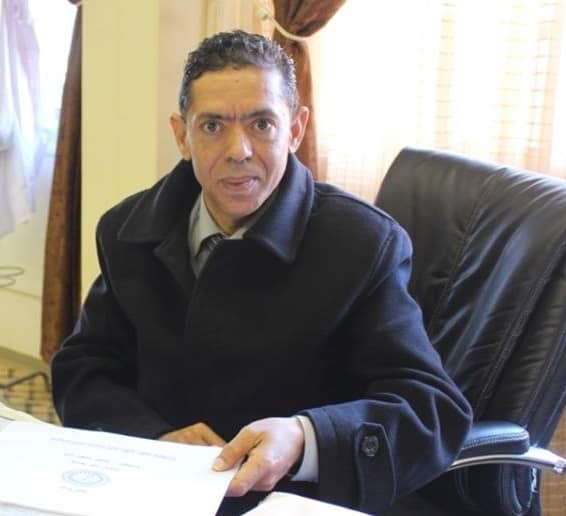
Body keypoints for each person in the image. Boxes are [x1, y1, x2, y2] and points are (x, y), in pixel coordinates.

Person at [51, 30, 472, 515]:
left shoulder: (362, 244)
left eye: (262, 124)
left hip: (290, 499)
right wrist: (156, 438)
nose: (239, 150)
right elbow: (85, 368)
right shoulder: (129, 230)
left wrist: (304, 437)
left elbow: (429, 409)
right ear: (182, 136)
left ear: (295, 129)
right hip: (158, 488)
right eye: (212, 126)